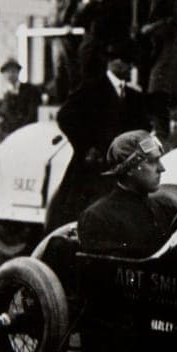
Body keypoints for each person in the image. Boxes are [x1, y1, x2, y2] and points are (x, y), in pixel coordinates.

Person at [44, 40, 151, 233]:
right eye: (126, 62)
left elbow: (143, 127)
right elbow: (65, 117)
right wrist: (86, 146)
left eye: (131, 63)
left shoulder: (133, 96)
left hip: (120, 169)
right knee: (79, 218)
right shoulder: (91, 89)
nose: (130, 67)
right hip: (92, 169)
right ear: (113, 62)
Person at [77, 130, 177, 258]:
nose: (161, 168)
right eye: (152, 161)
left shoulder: (166, 210)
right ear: (129, 169)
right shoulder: (98, 218)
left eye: (159, 160)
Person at [48, 0, 93, 100]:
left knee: (61, 68)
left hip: (57, 22)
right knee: (69, 68)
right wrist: (67, 22)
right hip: (63, 25)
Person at [0, 58, 43, 141]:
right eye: (7, 72)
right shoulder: (6, 95)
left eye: (13, 71)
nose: (10, 75)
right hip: (11, 136)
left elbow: (33, 114)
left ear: (18, 72)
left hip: (28, 133)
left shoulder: (30, 90)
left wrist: (22, 131)